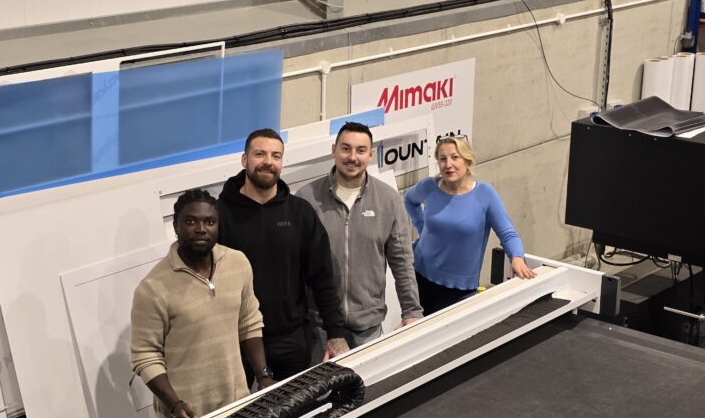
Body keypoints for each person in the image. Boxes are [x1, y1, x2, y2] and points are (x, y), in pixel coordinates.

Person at [130, 188, 274, 418]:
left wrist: (263, 376)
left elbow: (249, 322)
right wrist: (174, 404)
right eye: (190, 221)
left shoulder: (238, 262)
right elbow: (145, 356)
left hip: (237, 405)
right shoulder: (152, 288)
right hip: (186, 417)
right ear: (176, 226)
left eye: (209, 222)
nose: (200, 229)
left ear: (218, 226)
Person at [217, 128, 349, 379]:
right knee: (241, 417)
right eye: (260, 154)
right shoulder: (220, 215)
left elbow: (321, 277)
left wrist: (335, 332)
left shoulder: (300, 213)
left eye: (276, 156)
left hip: (290, 339)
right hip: (235, 341)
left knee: (295, 414)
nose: (268, 161)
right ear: (244, 160)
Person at [296, 121, 422, 353]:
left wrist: (412, 311)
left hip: (368, 328)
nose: (352, 157)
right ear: (333, 149)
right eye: (346, 148)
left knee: (370, 389)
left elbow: (402, 262)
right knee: (320, 390)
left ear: (371, 155)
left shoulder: (388, 200)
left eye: (361, 150)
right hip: (318, 327)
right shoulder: (307, 199)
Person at [404, 135, 535, 315]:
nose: (448, 164)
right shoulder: (429, 187)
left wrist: (516, 257)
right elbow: (410, 201)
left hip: (459, 289)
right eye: (442, 159)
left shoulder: (485, 194)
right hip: (419, 275)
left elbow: (508, 234)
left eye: (455, 157)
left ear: (468, 161)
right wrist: (422, 228)